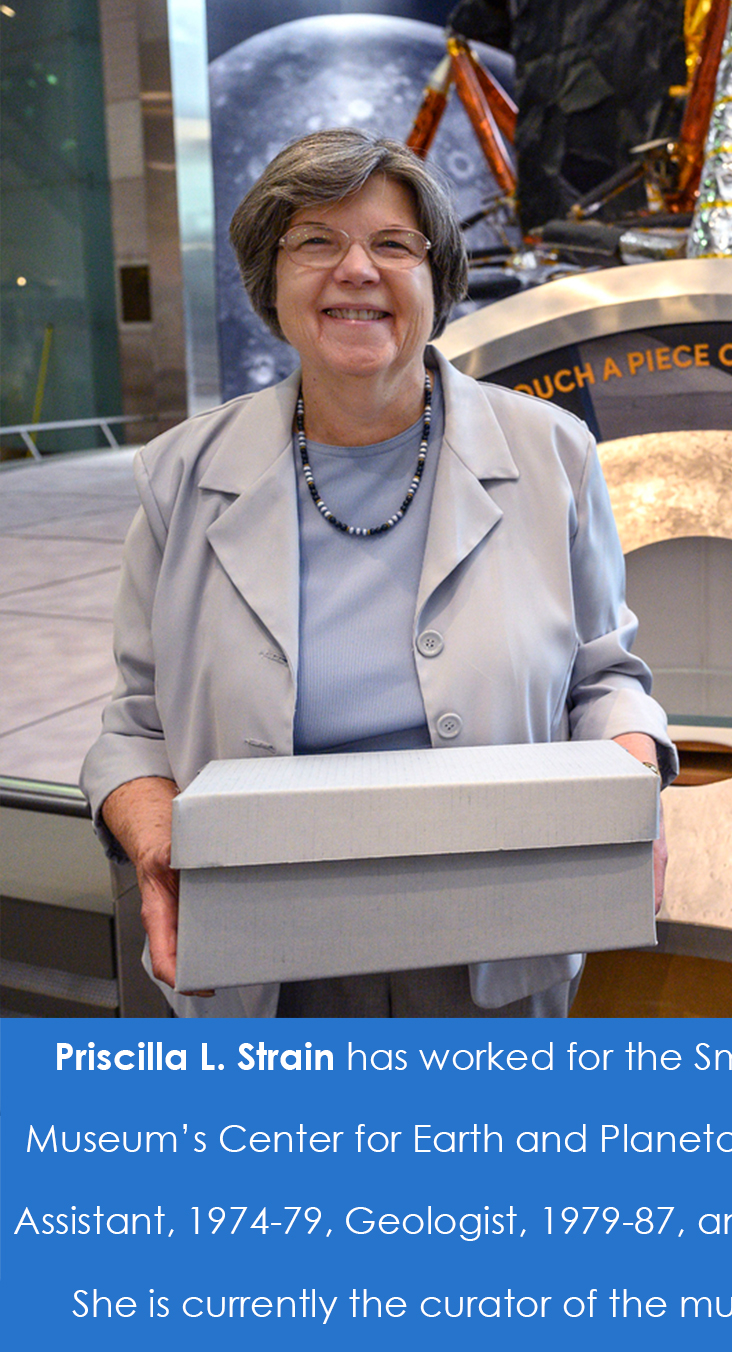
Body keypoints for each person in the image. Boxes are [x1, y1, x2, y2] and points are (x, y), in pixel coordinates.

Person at [80, 129, 675, 1019]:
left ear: (436, 281)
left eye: (393, 244)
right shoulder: (179, 476)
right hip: (260, 953)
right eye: (315, 242)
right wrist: (155, 830)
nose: (356, 269)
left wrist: (631, 781)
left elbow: (605, 677)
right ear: (268, 282)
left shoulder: (550, 454)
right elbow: (135, 726)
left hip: (494, 944)